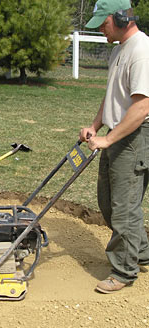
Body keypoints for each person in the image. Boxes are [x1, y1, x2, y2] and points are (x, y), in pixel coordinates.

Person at [80, 0, 149, 293]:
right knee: (108, 203)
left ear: (121, 18)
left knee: (123, 207)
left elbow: (143, 105)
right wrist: (96, 125)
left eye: (104, 24)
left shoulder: (142, 50)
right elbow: (113, 96)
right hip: (116, 132)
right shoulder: (120, 49)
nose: (101, 31)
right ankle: (142, 252)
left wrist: (108, 138)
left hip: (134, 136)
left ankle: (123, 271)